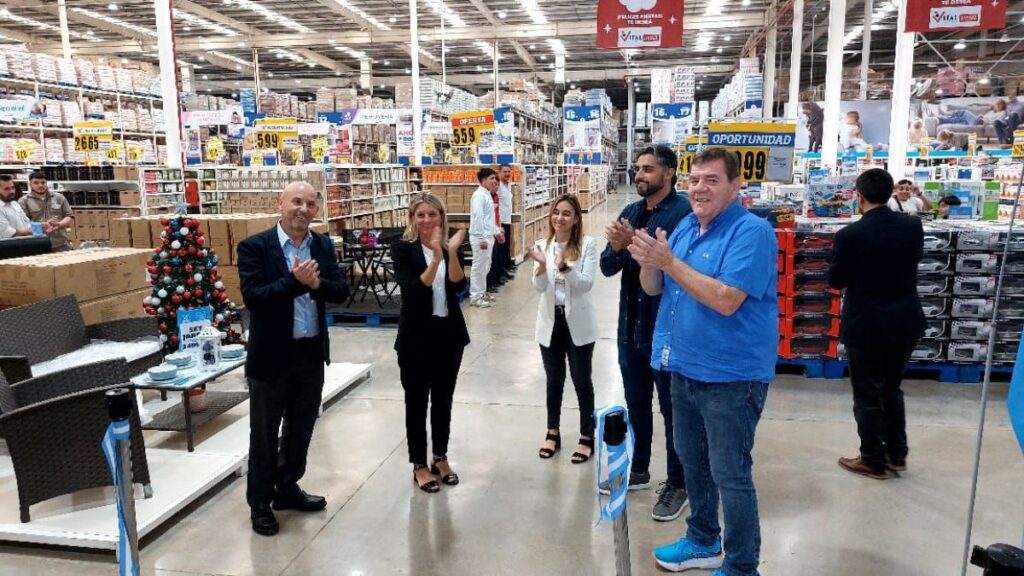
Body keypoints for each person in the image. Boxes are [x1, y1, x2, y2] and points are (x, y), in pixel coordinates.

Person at [631, 147, 777, 576]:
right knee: (692, 461)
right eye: (695, 180)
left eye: (712, 180)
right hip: (683, 367)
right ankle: (702, 539)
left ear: (735, 186)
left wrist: (668, 262)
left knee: (730, 471)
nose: (700, 188)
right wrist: (649, 263)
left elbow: (726, 299)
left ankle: (742, 564)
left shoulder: (752, 233)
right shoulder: (686, 228)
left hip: (731, 376)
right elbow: (654, 288)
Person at [237, 181, 350, 536]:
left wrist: (316, 285)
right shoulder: (255, 246)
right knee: (265, 433)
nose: (303, 209)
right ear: (280, 203)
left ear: (317, 209)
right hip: (271, 355)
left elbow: (340, 291)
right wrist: (295, 281)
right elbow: (254, 297)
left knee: (301, 428)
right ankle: (259, 502)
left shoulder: (322, 245)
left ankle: (287, 487)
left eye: (310, 204)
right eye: (296, 202)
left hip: (310, 351)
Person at [600, 145, 692, 522]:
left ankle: (678, 482)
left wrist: (632, 248)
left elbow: (679, 270)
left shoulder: (683, 214)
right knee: (636, 402)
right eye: (638, 168)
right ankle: (639, 467)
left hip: (666, 331)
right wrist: (619, 248)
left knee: (673, 410)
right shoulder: (631, 212)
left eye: (648, 169)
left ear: (669, 173)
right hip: (630, 328)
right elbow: (607, 266)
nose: (639, 174)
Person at [828, 168, 925, 480]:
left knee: (867, 393)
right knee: (892, 389)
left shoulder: (850, 235)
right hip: (905, 319)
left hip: (866, 323)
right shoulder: (912, 226)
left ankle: (872, 459)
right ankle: (897, 454)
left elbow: (836, 280)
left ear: (859, 196)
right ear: (891, 192)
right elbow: (915, 259)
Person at [391, 193, 470, 493]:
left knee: (443, 399)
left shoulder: (449, 245)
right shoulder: (402, 248)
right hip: (415, 338)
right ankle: (419, 464)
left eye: (432, 214)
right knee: (416, 401)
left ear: (441, 216)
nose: (426, 220)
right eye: (420, 215)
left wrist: (450, 252)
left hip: (449, 335)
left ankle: (440, 457)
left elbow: (459, 285)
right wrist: (435, 259)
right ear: (413, 218)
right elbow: (413, 291)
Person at [530, 194, 599, 465]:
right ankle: (552, 432)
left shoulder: (587, 245)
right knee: (554, 380)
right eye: (556, 212)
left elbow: (585, 284)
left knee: (582, 380)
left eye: (567, 213)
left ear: (576, 219)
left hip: (578, 323)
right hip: (550, 321)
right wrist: (541, 266)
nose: (560, 218)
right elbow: (539, 288)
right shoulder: (542, 245)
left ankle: (587, 435)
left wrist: (563, 267)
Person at [468, 167, 504, 308]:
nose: (495, 181)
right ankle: (475, 297)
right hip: (480, 238)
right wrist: (482, 238)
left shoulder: (487, 194)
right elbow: (478, 217)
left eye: (495, 178)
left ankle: (481, 293)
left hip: (488, 236)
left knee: (485, 267)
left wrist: (497, 232)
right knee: (479, 267)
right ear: (483, 180)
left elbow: (489, 218)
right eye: (491, 178)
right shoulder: (479, 196)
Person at [19, 171, 73, 252]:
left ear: (46, 183)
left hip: (61, 243)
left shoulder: (59, 197)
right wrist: (41, 227)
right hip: (37, 244)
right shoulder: (24, 201)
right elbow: (23, 223)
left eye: (43, 182)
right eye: (36, 183)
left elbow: (69, 215)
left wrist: (59, 224)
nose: (40, 185)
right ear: (30, 184)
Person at [0, 175, 34, 240]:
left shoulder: (15, 204)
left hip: (26, 243)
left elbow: (27, 223)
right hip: (9, 245)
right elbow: (6, 232)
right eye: (6, 189)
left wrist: (43, 226)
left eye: (13, 188)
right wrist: (35, 231)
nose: (12, 191)